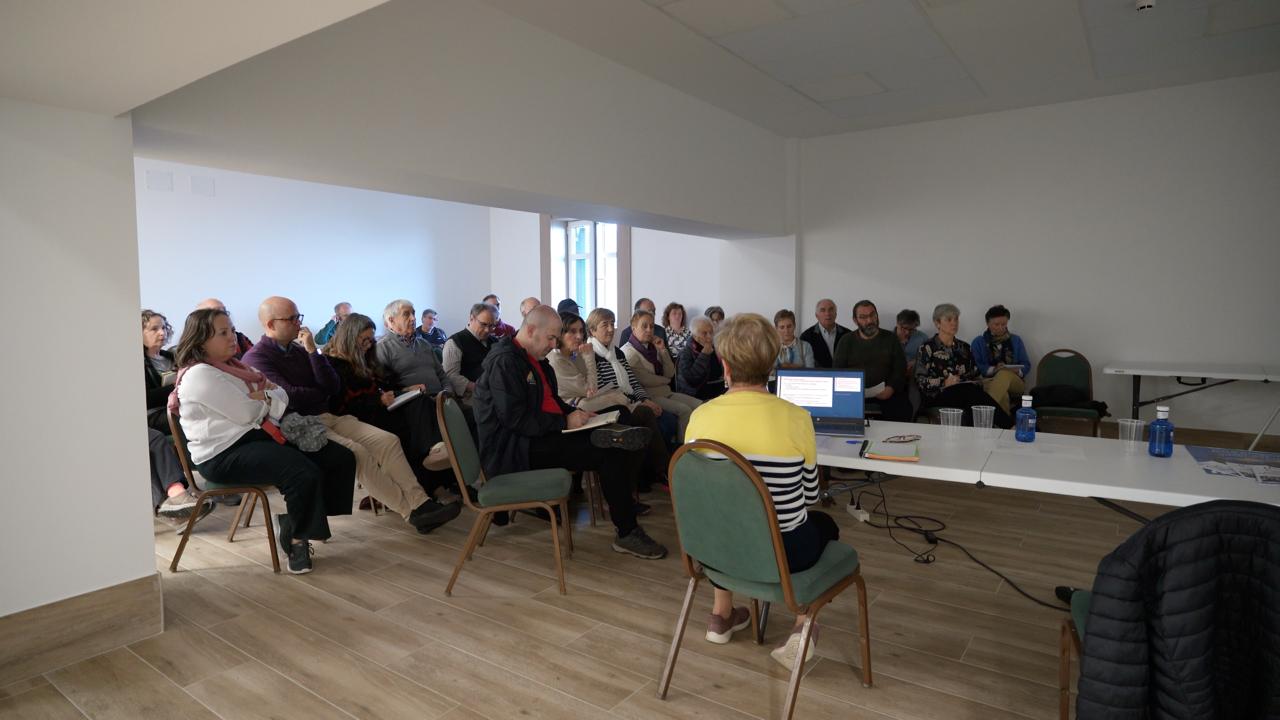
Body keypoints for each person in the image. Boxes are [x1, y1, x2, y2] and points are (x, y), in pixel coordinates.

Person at [684, 312, 842, 670]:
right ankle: (803, 623)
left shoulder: (700, 417)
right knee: (824, 525)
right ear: (772, 365)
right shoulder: (796, 418)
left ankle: (721, 616)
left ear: (724, 365)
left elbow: (700, 496)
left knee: (724, 514)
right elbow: (809, 496)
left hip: (712, 549)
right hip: (782, 554)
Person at [242, 297, 460, 535]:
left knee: (388, 441)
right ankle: (412, 512)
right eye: (292, 318)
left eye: (298, 316)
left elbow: (331, 385)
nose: (299, 322)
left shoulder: (301, 350)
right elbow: (290, 397)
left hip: (327, 415)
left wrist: (313, 352)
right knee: (358, 453)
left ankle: (422, 503)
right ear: (271, 324)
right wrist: (319, 391)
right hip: (301, 425)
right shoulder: (257, 358)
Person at [170, 308, 357, 574]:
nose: (232, 336)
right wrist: (266, 400)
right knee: (301, 471)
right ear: (201, 341)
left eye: (231, 330)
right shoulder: (200, 374)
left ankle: (295, 520)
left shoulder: (237, 367)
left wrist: (264, 399)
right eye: (222, 333)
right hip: (222, 454)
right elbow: (248, 412)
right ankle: (297, 541)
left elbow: (281, 396)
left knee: (339, 457)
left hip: (258, 436)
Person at [473, 305, 668, 559]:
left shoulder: (533, 359)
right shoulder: (505, 362)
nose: (554, 345)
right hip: (515, 449)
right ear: (531, 330)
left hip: (537, 436)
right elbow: (515, 419)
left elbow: (554, 403)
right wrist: (565, 421)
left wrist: (579, 415)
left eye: (556, 338)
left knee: (613, 433)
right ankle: (627, 530)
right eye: (551, 338)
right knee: (609, 450)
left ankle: (623, 503)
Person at [323, 314, 454, 500]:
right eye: (364, 340)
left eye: (371, 340)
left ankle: (441, 475)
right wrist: (378, 400)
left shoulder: (367, 357)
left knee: (422, 404)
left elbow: (384, 386)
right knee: (409, 429)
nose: (368, 345)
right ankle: (434, 481)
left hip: (383, 408)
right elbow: (341, 405)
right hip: (359, 417)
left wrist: (404, 390)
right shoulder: (331, 364)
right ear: (350, 338)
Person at [549, 311, 673, 493]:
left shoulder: (614, 353)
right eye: (604, 325)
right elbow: (590, 389)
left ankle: (647, 476)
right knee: (631, 416)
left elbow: (632, 382)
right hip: (582, 410)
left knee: (655, 418)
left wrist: (644, 399)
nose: (610, 329)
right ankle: (647, 477)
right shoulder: (583, 354)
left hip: (610, 401)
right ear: (593, 331)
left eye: (612, 323)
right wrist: (589, 359)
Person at [142, 309, 214, 525]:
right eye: (154, 329)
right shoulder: (136, 362)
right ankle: (209, 479)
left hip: (174, 410)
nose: (161, 332)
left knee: (202, 416)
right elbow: (144, 399)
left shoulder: (170, 357)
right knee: (185, 422)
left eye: (163, 327)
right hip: (152, 415)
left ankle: (176, 502)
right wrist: (178, 387)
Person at [916, 303, 1013, 428]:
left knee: (972, 394)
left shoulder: (964, 347)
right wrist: (944, 382)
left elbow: (975, 375)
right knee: (970, 393)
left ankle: (981, 434)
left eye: (956, 319)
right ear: (937, 323)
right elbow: (920, 381)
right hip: (936, 396)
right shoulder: (927, 347)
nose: (954, 323)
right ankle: (1009, 425)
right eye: (949, 319)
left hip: (964, 394)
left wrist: (973, 382)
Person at [621, 310, 701, 442]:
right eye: (644, 326)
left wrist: (663, 350)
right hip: (650, 396)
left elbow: (670, 372)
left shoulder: (653, 346)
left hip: (666, 391)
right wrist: (666, 380)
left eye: (652, 326)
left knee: (699, 405)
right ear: (633, 328)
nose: (649, 330)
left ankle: (699, 442)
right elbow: (646, 380)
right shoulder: (629, 352)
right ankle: (681, 449)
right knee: (685, 410)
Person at [832, 300, 913, 422]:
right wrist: (852, 391)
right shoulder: (846, 341)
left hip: (887, 393)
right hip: (854, 394)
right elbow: (838, 371)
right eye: (863, 317)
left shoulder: (891, 339)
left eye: (872, 315)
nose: (869, 320)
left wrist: (890, 388)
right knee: (837, 411)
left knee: (903, 409)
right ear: (855, 320)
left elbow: (900, 368)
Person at [970, 305, 1032, 415]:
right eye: (996, 324)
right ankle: (1005, 423)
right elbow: (977, 367)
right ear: (988, 324)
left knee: (1003, 373)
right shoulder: (978, 342)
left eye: (1004, 324)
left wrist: (1017, 371)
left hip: (1015, 382)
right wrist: (994, 370)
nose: (1001, 328)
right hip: (988, 381)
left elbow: (1026, 364)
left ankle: (985, 414)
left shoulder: (1015, 340)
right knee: (1002, 395)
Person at [441, 302, 496, 403]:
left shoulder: (494, 341)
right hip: (471, 396)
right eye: (483, 324)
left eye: (491, 326)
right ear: (471, 318)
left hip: (495, 391)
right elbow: (451, 376)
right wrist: (481, 389)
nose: (487, 330)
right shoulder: (455, 342)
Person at [676, 316, 726, 401]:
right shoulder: (685, 353)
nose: (709, 336)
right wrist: (704, 355)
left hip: (719, 389)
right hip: (698, 394)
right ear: (695, 336)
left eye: (711, 332)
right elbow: (691, 380)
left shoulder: (716, 346)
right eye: (704, 333)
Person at [800, 298, 851, 369]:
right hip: (818, 375)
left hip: (843, 374)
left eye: (831, 310)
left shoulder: (848, 334)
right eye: (823, 310)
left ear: (836, 314)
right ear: (816, 315)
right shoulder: (806, 337)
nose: (827, 313)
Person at [895, 309, 928, 374]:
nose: (907, 332)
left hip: (915, 374)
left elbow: (928, 357)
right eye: (904, 328)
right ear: (898, 324)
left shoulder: (923, 338)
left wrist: (915, 362)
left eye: (911, 329)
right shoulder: (888, 338)